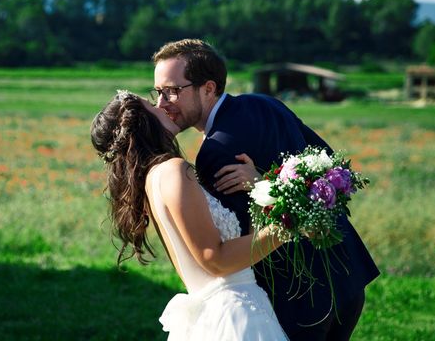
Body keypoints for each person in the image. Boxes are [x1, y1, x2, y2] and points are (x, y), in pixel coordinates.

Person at [151, 39, 380, 341]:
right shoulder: (264, 103)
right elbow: (335, 174)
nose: (161, 103)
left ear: (208, 88)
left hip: (299, 297)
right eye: (158, 92)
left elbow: (235, 240)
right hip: (349, 276)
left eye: (172, 91)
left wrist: (265, 186)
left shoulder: (215, 152)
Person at [91, 91, 288, 340]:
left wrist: (258, 188)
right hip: (234, 316)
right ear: (141, 123)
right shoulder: (173, 171)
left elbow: (234, 248)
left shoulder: (153, 178)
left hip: (229, 309)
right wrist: (288, 227)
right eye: (152, 105)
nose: (162, 106)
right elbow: (214, 258)